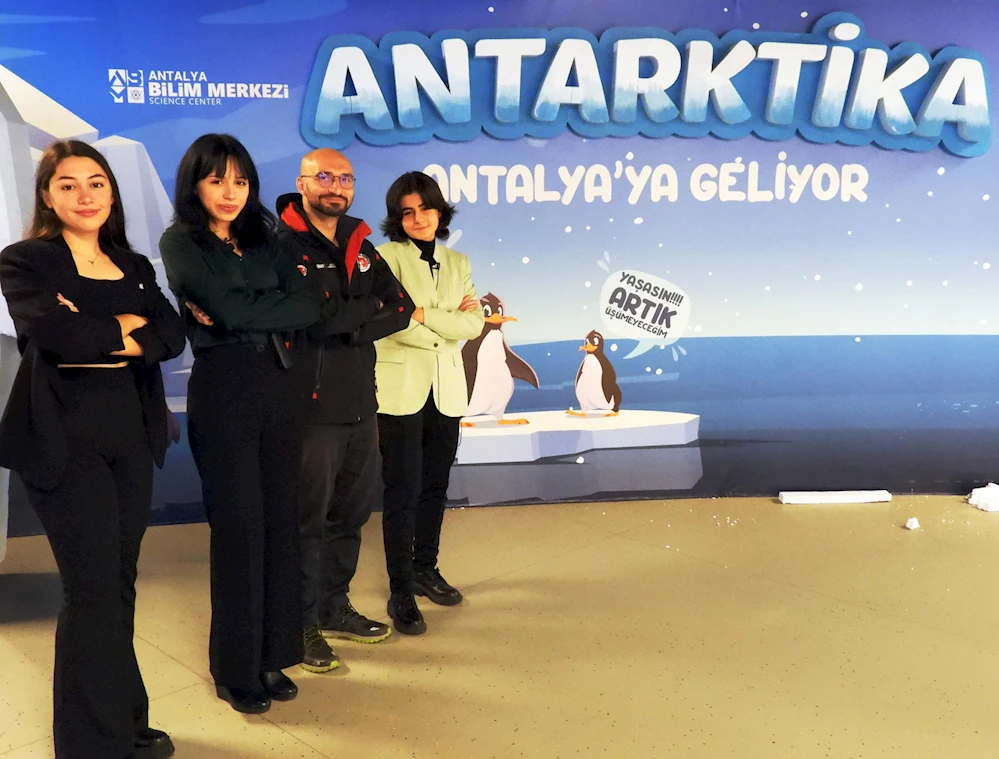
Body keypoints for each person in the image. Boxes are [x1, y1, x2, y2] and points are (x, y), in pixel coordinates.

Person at [0, 140, 186, 759]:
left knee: (119, 583)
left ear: (112, 192)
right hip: (63, 441)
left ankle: (124, 720)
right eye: (68, 184)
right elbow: (56, 335)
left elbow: (171, 333)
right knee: (92, 589)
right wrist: (126, 327)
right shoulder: (26, 261)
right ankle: (90, 746)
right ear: (47, 196)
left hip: (129, 436)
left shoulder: (132, 264)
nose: (85, 196)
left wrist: (110, 334)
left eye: (97, 183)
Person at [159, 134, 321, 714]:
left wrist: (244, 307)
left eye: (241, 181)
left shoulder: (267, 237)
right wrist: (254, 306)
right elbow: (226, 310)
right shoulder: (180, 241)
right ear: (195, 185)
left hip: (279, 383)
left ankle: (273, 654)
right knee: (239, 526)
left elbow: (310, 304)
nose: (230, 193)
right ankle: (235, 667)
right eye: (217, 180)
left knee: (280, 520)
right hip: (224, 387)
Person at [276, 149, 413, 671]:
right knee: (307, 523)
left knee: (350, 518)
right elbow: (314, 319)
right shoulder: (282, 246)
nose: (336, 187)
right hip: (311, 412)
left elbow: (400, 308)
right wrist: (360, 312)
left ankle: (334, 607)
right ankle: (300, 623)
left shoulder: (361, 244)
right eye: (325, 177)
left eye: (346, 179)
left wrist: (350, 323)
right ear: (303, 183)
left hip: (361, 408)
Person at [374, 171, 484, 635]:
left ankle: (425, 568)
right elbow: (391, 320)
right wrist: (445, 326)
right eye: (408, 212)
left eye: (426, 208)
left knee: (435, 487)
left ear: (440, 212)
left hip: (447, 390)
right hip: (399, 390)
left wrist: (424, 314)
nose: (418, 218)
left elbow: (475, 324)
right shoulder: (385, 258)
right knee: (402, 490)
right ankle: (401, 589)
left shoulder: (458, 261)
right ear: (397, 218)